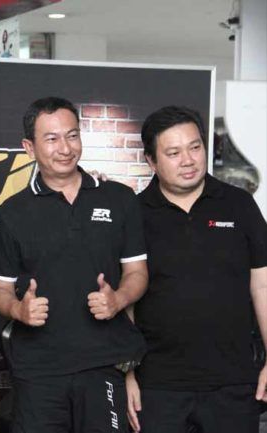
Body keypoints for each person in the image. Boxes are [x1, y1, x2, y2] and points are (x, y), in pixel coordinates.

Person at [0, 96, 148, 433]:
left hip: (104, 364)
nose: (65, 148)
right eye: (51, 139)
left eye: (72, 135)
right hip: (38, 371)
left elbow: (137, 273)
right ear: (29, 148)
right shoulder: (12, 212)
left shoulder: (119, 199)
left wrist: (118, 299)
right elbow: (1, 291)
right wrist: (19, 310)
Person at [125, 105, 267, 433]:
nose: (188, 160)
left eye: (195, 147)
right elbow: (125, 299)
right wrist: (126, 373)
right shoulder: (133, 214)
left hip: (233, 384)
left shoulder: (239, 204)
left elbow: (262, 286)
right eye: (173, 153)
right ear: (151, 161)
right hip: (156, 387)